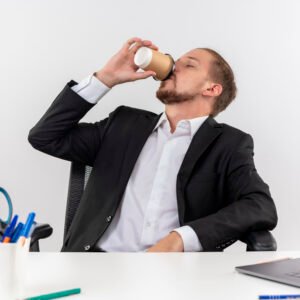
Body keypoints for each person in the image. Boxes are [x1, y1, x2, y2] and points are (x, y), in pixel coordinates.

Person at [28, 37, 278, 252]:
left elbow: (260, 206)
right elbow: (45, 137)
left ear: (212, 89)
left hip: (173, 274)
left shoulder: (229, 144)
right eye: (173, 62)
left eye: (188, 65)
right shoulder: (123, 124)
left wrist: (181, 238)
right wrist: (105, 79)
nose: (172, 68)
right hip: (94, 263)